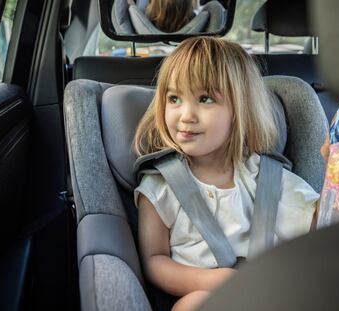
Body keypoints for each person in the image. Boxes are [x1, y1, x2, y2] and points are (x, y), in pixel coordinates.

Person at [133, 37, 319, 311]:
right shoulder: (161, 186)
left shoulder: (264, 176)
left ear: (240, 110)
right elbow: (154, 260)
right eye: (174, 99)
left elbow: (320, 221)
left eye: (205, 99)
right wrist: (212, 281)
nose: (186, 115)